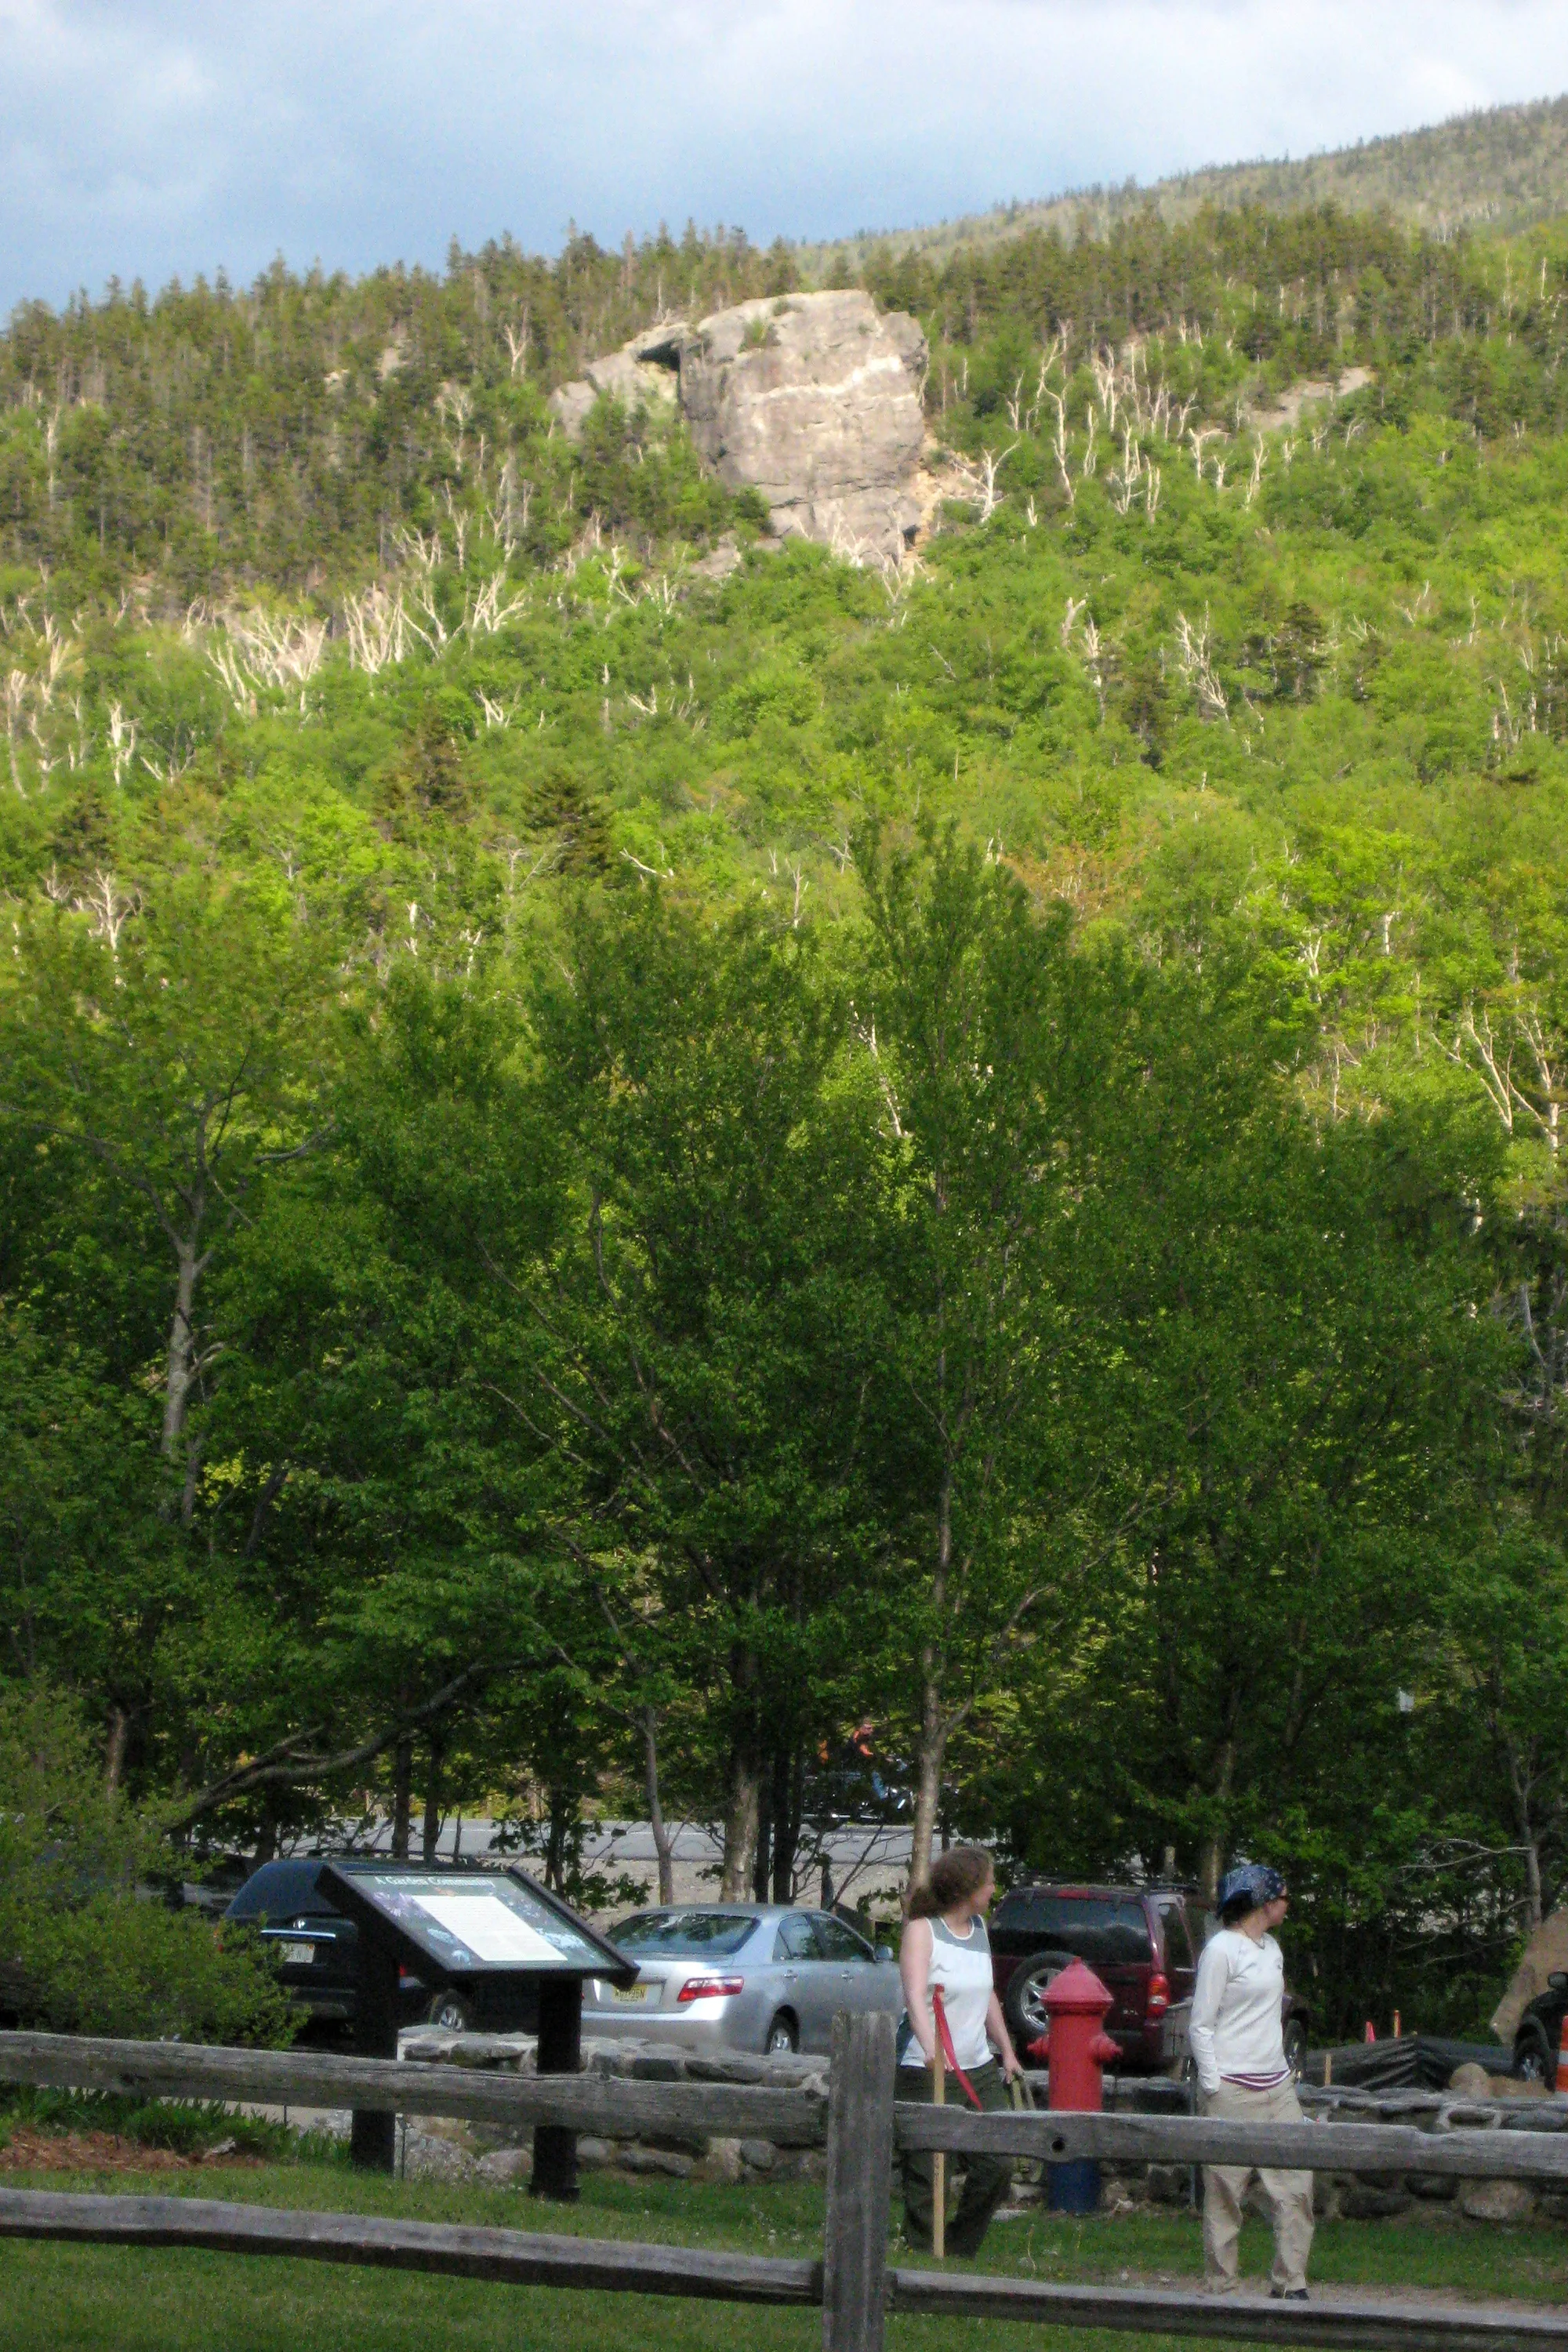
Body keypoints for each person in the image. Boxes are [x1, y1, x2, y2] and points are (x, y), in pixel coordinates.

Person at [1190, 1862, 1314, 2303]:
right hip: (1232, 2087)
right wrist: (1213, 2083)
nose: (1287, 1905)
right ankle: (1222, 2286)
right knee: (1225, 2192)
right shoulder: (1222, 1950)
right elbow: (1201, 2024)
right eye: (1283, 1897)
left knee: (1296, 2186)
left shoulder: (1272, 1949)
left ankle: (1290, 2282)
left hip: (1277, 2086)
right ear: (1262, 1902)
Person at [895, 1844, 1023, 2257]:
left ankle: (958, 2247)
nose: (993, 1888)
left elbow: (987, 1996)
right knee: (930, 2171)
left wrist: (1007, 2051)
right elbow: (915, 1997)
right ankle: (920, 2255)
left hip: (978, 2066)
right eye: (988, 1881)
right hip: (927, 2067)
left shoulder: (981, 1928)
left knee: (998, 2163)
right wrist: (934, 2052)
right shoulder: (923, 1930)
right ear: (969, 1888)